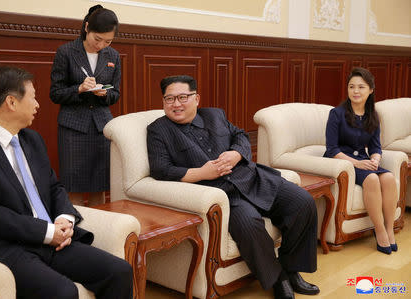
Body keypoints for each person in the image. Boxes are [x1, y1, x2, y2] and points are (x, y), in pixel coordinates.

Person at [0, 66, 132, 298]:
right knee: (63, 292)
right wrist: (47, 231)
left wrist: (64, 217)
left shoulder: (32, 139)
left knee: (119, 271)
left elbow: (54, 186)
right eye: (32, 97)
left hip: (51, 239)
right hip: (5, 243)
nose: (37, 105)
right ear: (11, 102)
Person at [147, 75, 320, 299]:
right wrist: (202, 173)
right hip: (222, 194)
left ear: (196, 98)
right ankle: (278, 279)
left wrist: (236, 153)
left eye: (182, 97)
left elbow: (240, 135)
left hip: (253, 178)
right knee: (249, 225)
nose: (176, 104)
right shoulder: (158, 130)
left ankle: (291, 267)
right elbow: (160, 170)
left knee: (303, 202)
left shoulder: (215, 115)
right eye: (169, 99)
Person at [50, 5, 121, 206]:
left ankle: (101, 232)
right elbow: (55, 93)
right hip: (73, 127)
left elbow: (115, 94)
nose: (101, 45)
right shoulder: (66, 52)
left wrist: (105, 93)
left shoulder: (113, 56)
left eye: (108, 41)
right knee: (74, 185)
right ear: (87, 27)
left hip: (102, 127)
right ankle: (77, 231)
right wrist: (79, 89)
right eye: (97, 39)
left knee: (101, 184)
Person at [324, 67, 398, 254]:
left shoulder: (373, 115)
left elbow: (375, 147)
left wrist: (375, 159)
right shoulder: (336, 114)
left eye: (361, 87)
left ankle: (389, 229)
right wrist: (357, 163)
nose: (355, 91)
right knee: (372, 179)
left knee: (388, 178)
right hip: (342, 162)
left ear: (371, 90)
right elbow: (332, 149)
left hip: (364, 161)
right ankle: (379, 231)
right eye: (351, 87)